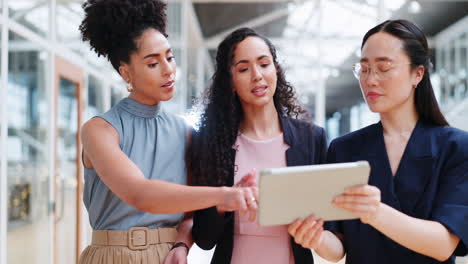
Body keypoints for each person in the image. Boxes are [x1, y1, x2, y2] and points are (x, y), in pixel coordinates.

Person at [78, 1, 257, 263]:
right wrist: (224, 194)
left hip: (167, 256)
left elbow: (188, 212)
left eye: (170, 57)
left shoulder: (184, 132)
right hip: (112, 256)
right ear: (126, 72)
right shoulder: (100, 130)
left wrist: (182, 245)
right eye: (153, 64)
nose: (168, 70)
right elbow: (139, 194)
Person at [288, 19, 468, 264]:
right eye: (363, 69)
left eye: (383, 68)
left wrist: (375, 212)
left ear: (418, 73)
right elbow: (338, 246)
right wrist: (315, 237)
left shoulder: (456, 147)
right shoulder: (344, 148)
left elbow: (444, 244)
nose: (370, 80)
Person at [189, 27, 327, 264]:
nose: (257, 75)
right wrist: (224, 203)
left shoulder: (311, 138)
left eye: (264, 64)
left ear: (276, 69)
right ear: (230, 81)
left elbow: (330, 222)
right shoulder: (212, 143)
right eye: (243, 69)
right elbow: (204, 239)